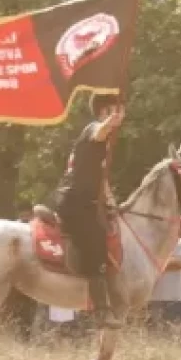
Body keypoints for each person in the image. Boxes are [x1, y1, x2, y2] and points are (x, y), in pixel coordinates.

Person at [54, 92, 125, 321]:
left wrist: (114, 204)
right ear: (104, 111)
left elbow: (102, 181)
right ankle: (101, 310)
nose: (118, 117)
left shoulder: (103, 146)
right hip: (75, 202)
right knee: (95, 244)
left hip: (89, 203)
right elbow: (100, 130)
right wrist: (110, 121)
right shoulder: (93, 129)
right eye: (113, 110)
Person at [147, 234, 181, 328]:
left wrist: (153, 260)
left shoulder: (180, 242)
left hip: (174, 297)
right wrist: (167, 261)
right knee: (153, 335)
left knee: (173, 335)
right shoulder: (150, 241)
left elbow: (179, 264)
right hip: (152, 297)